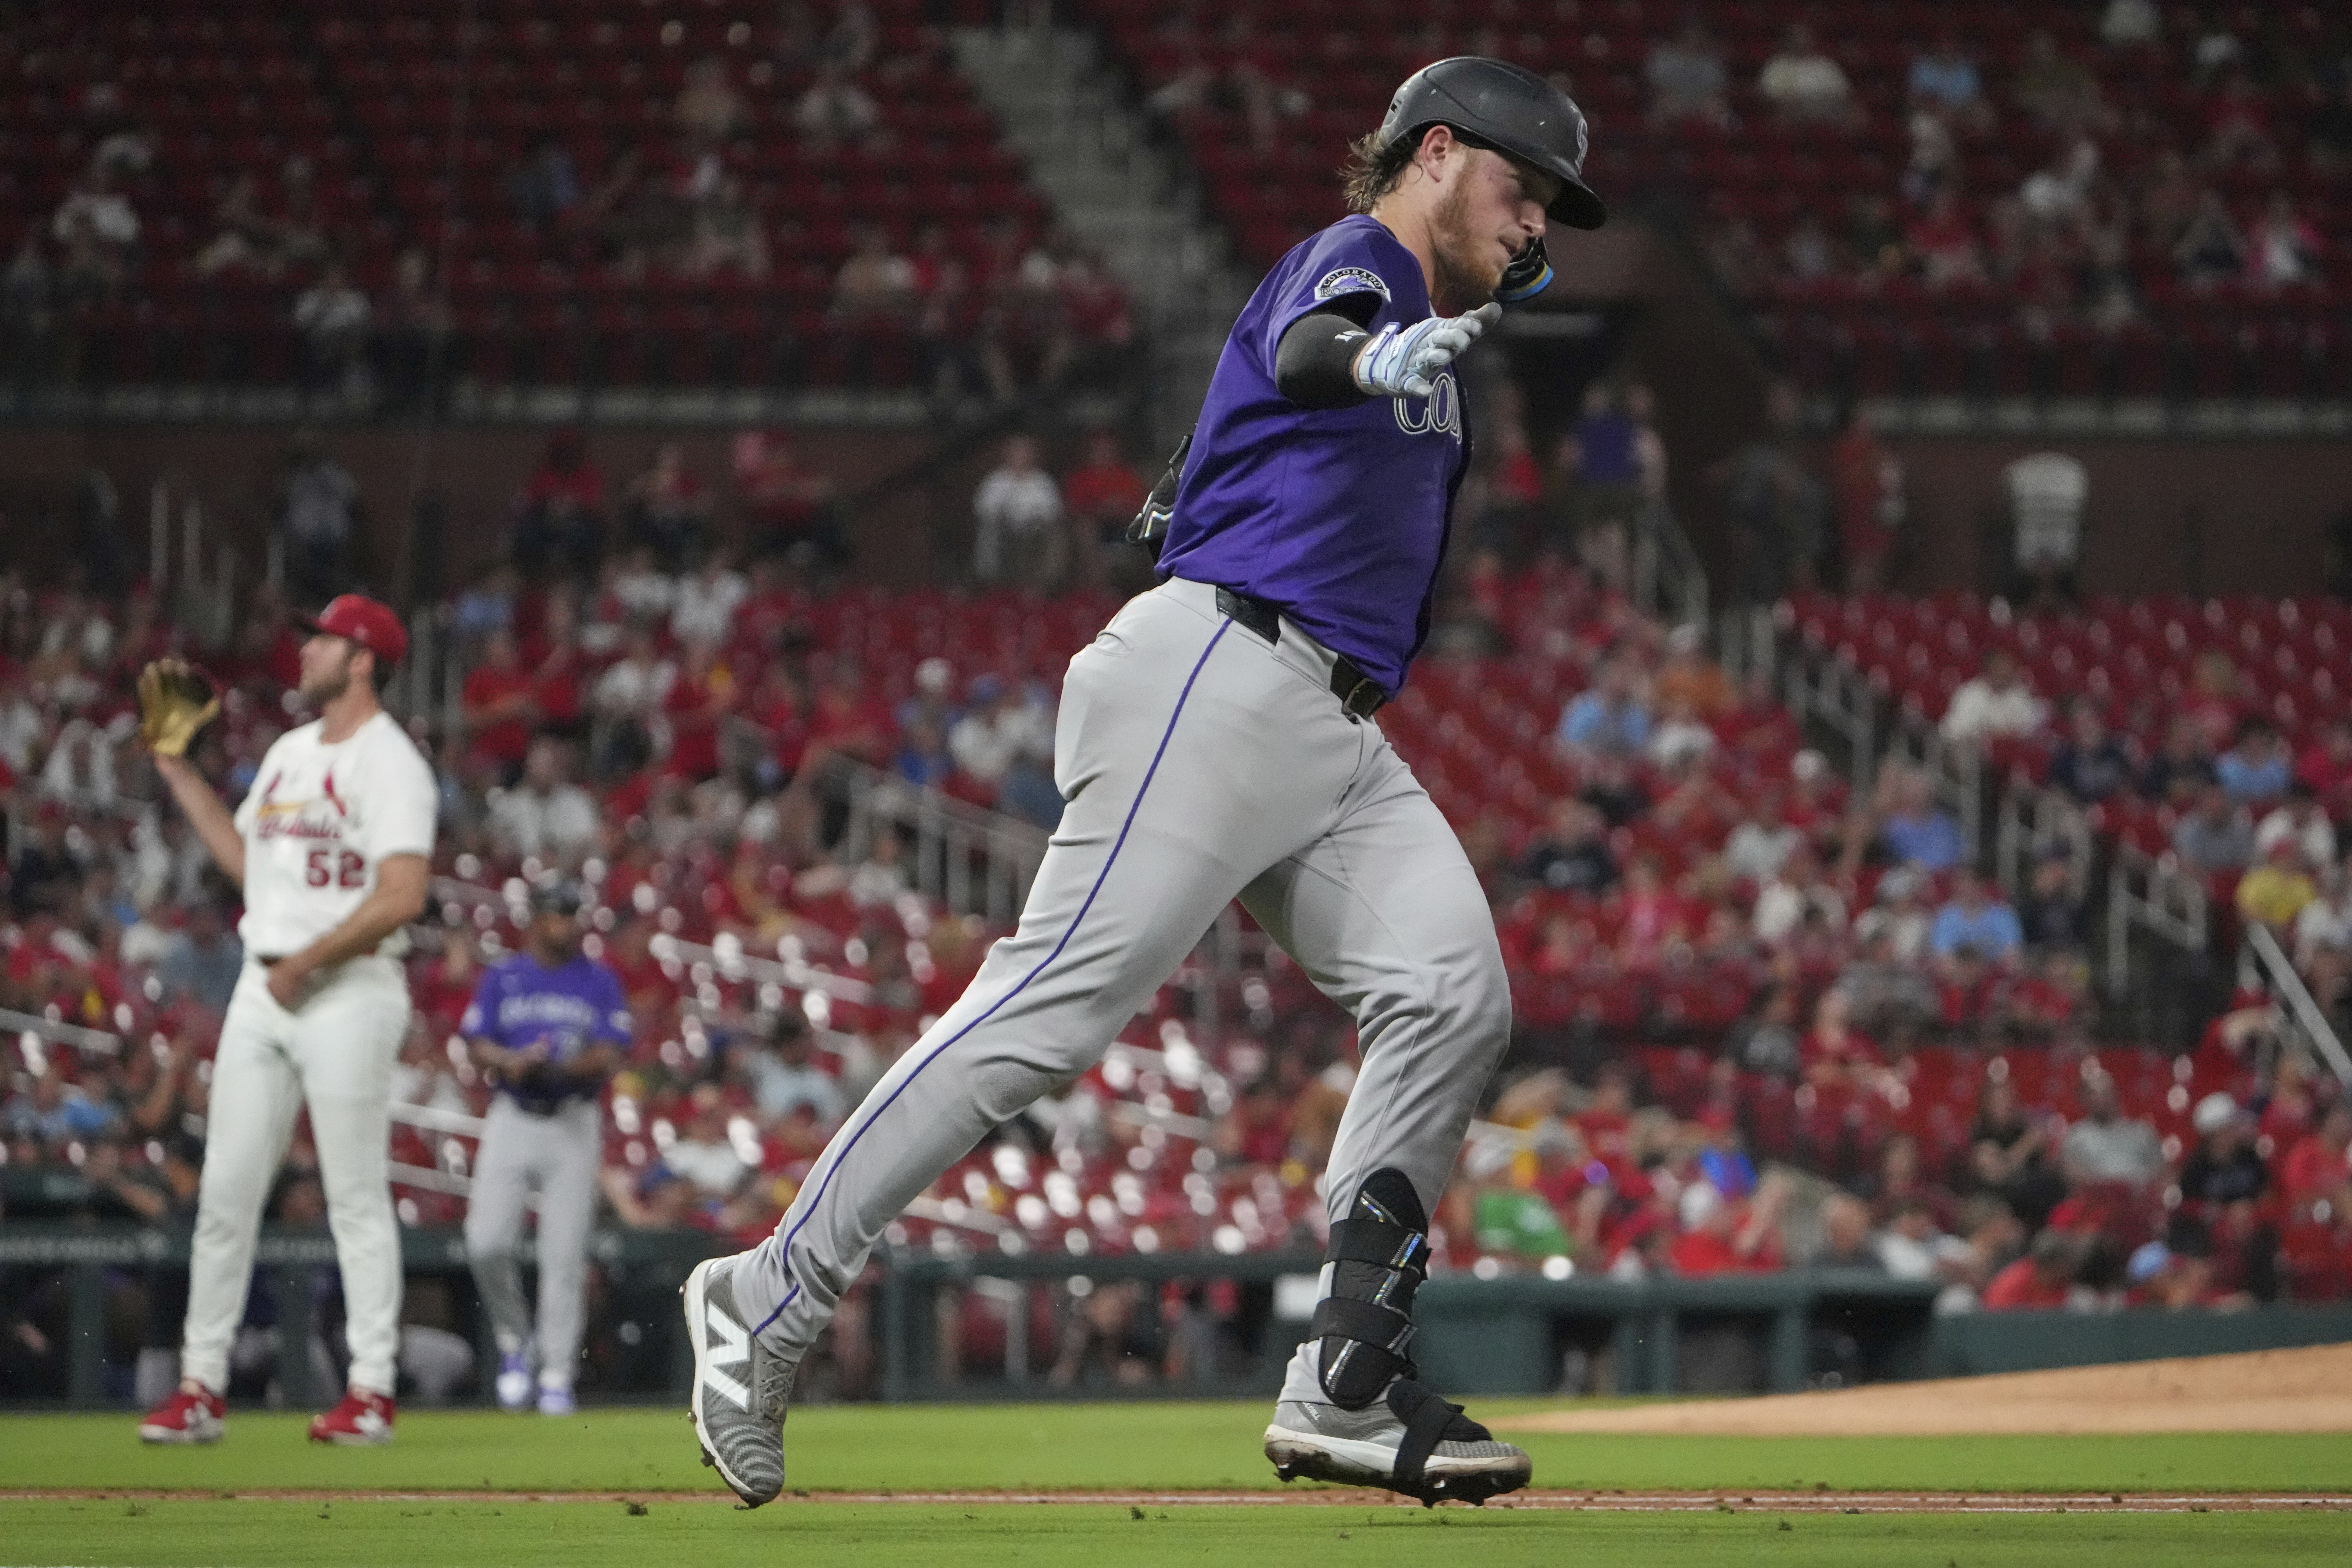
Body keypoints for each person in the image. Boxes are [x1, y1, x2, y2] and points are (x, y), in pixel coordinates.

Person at [679, 55, 1607, 1511]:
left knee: (1452, 992)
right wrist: (1362, 362)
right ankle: (768, 1289)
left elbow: (1246, 429)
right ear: (1434, 151)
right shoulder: (1361, 261)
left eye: (1550, 201)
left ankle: (1346, 1380)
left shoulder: (1420, 320)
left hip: (1328, 726)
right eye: (1520, 182)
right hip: (1225, 674)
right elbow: (1313, 343)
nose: (1537, 219)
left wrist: (1231, 456)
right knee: (1046, 1014)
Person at [136, 596, 436, 1446]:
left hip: (349, 989)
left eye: (324, 640)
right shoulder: (288, 754)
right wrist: (178, 772)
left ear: (364, 660)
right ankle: (201, 1386)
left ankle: (371, 1389)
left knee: (353, 1194)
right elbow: (252, 867)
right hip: (267, 985)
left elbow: (403, 895)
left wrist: (307, 962)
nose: (306, 650)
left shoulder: (393, 763)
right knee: (226, 1191)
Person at [461, 879, 630, 1416]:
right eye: (555, 914)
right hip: (513, 1114)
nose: (564, 923)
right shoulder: (504, 976)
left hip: (573, 1120)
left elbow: (609, 1052)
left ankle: (557, 1372)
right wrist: (510, 1061)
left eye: (570, 913)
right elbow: (478, 1042)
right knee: (485, 1242)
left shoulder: (598, 979)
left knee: (564, 1254)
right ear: (534, 918)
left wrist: (558, 1066)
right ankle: (516, 1341)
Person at [971, 435, 1067, 590]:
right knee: (988, 532)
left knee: (1056, 534)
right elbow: (984, 509)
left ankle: (1046, 584)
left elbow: (1053, 511)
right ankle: (990, 582)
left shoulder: (1043, 481)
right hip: (1003, 528)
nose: (1020, 457)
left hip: (1035, 528)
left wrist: (1032, 520)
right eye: (1016, 453)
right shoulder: (995, 481)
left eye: (1024, 453)